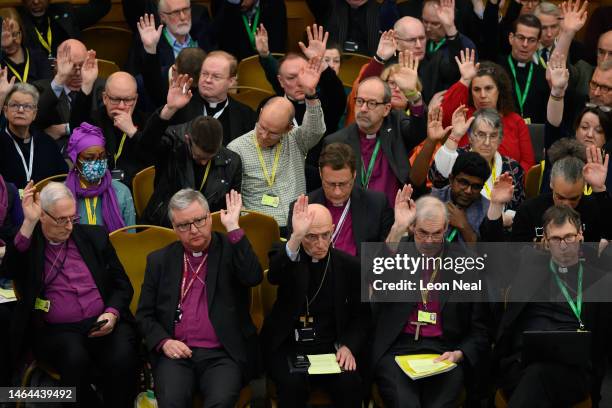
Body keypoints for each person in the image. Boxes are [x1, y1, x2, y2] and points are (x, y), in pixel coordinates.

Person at [3, 181, 139, 407]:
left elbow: (122, 285)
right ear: (43, 216)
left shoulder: (94, 237)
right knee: (74, 357)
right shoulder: (32, 244)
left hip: (102, 322)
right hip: (57, 332)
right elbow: (10, 268)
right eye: (61, 220)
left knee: (123, 355)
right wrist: (28, 222)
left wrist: (112, 313)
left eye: (72, 218)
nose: (69, 226)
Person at [136, 188, 263, 407]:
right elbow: (144, 315)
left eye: (199, 221)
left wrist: (233, 226)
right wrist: (164, 342)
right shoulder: (159, 261)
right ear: (174, 228)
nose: (194, 230)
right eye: (184, 225)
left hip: (222, 355)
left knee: (220, 401)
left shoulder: (230, 249)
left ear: (209, 217)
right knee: (171, 402)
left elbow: (253, 277)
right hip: (176, 354)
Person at [375, 194, 490, 407]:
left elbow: (480, 329)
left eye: (436, 234)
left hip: (444, 352)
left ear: (446, 227)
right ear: (412, 228)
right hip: (398, 350)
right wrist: (396, 229)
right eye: (423, 233)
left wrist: (460, 354)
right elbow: (376, 282)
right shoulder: (396, 254)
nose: (429, 241)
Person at [493, 205, 612, 407]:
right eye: (556, 239)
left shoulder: (600, 280)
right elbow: (494, 255)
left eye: (569, 237)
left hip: (573, 372)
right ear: (545, 242)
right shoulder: (527, 269)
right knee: (536, 374)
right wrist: (496, 206)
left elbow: (601, 345)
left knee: (538, 374)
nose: (563, 245)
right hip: (521, 363)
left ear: (581, 235)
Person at [262, 198, 371, 407]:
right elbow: (275, 275)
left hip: (332, 347)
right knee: (292, 386)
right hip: (290, 346)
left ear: (332, 230)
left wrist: (348, 346)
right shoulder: (287, 255)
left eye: (325, 235)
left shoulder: (350, 266)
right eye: (311, 236)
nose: (320, 244)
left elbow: (362, 317)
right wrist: (295, 237)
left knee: (350, 383)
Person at [227, 62, 326, 234]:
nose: (264, 136)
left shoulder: (295, 139)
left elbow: (316, 130)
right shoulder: (237, 148)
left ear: (288, 128)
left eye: (273, 133)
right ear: (260, 113)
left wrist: (310, 95)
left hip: (294, 223)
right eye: (262, 127)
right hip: (258, 225)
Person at [140, 74, 242, 227]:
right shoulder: (173, 141)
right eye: (199, 156)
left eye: (210, 157)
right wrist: (169, 109)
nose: (203, 162)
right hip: (166, 223)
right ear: (188, 139)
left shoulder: (231, 160)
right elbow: (145, 146)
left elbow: (231, 206)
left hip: (208, 228)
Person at [255, 24, 347, 190]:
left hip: (319, 184)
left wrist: (320, 62)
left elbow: (338, 96)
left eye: (304, 74)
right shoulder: (269, 106)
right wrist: (264, 55)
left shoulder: (325, 103)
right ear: (281, 82)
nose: (300, 82)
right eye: (291, 78)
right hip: (275, 180)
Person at [326, 75, 426, 207]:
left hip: (394, 213)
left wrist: (414, 97)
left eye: (372, 103)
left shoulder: (396, 124)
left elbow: (418, 132)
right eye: (360, 101)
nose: (363, 109)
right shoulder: (336, 142)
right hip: (354, 213)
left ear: (386, 109)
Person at [481, 145, 612, 243]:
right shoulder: (529, 211)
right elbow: (496, 248)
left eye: (573, 198)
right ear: (551, 184)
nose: (566, 204)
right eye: (560, 197)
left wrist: (599, 189)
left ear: (583, 188)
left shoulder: (593, 206)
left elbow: (608, 232)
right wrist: (496, 205)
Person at [287, 142, 394, 256]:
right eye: (331, 184)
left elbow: (387, 258)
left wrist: (399, 228)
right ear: (320, 174)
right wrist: (297, 237)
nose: (337, 192)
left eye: (343, 184)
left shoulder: (377, 203)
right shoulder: (302, 207)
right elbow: (291, 262)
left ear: (354, 175)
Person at [441, 50, 535, 173]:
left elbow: (528, 163)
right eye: (476, 89)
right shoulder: (463, 116)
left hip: (506, 185)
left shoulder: (515, 120)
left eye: (488, 88)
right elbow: (443, 116)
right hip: (467, 185)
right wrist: (464, 80)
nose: (483, 95)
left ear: (499, 90)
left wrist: (511, 182)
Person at [425, 107, 525, 219]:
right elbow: (435, 177)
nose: (487, 143)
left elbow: (518, 210)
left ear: (500, 139)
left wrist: (505, 219)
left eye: (493, 136)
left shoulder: (512, 168)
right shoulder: (456, 157)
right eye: (481, 135)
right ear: (470, 137)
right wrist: (456, 135)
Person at [70, 68, 153, 187]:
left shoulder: (146, 122)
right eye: (115, 99)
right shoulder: (94, 120)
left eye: (128, 100)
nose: (121, 106)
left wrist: (132, 132)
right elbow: (76, 132)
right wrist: (86, 86)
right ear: (105, 98)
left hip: (135, 190)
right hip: (98, 187)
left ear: (135, 99)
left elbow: (153, 157)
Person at [168, 50, 257, 145]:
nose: (208, 80)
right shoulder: (181, 106)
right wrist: (169, 109)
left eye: (216, 77)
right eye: (204, 74)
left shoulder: (246, 115)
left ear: (231, 81)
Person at [64, 123, 135, 232]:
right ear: (75, 161)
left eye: (102, 157)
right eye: (89, 158)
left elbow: (130, 239)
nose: (97, 163)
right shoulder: (63, 194)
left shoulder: (121, 192)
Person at [34, 39, 105, 142]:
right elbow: (34, 120)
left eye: (82, 65)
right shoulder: (41, 89)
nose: (78, 72)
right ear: (57, 65)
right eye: (72, 66)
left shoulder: (101, 88)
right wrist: (60, 78)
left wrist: (65, 129)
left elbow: (102, 126)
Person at [0, 82, 67, 189]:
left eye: (27, 106)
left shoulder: (47, 143)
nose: (20, 110)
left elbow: (62, 179)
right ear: (5, 111)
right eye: (14, 105)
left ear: (34, 114)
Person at [126, 0, 215, 78]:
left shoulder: (203, 36)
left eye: (185, 9)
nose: (183, 17)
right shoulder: (151, 43)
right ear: (163, 17)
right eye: (175, 12)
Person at [17, 0, 111, 57]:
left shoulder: (66, 13)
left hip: (71, 76)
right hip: (37, 79)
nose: (36, 1)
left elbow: (101, 6)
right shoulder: (17, 19)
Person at [211, 0, 287, 62]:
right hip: (232, 66)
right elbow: (219, 41)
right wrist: (231, 7)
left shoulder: (275, 4)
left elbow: (278, 48)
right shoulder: (221, 4)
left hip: (266, 66)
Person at [0, 8, 53, 83]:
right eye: (4, 37)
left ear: (21, 32)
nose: (10, 41)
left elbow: (48, 89)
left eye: (14, 34)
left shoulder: (39, 57)